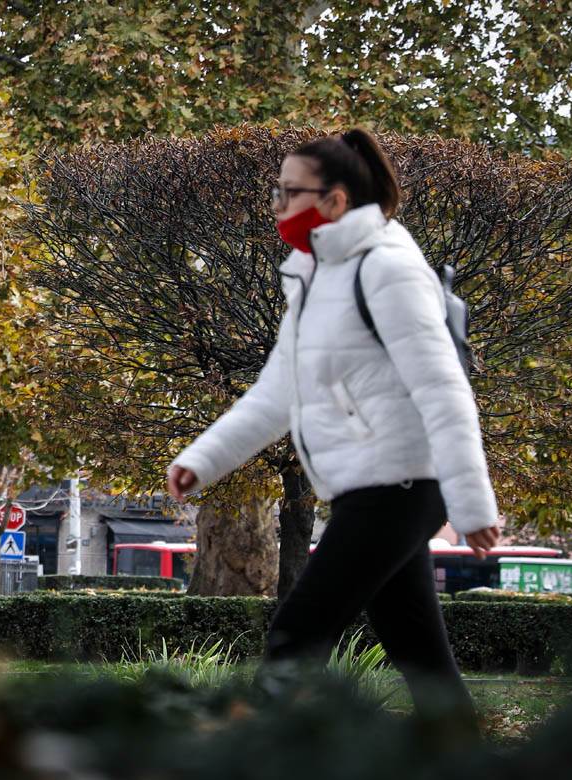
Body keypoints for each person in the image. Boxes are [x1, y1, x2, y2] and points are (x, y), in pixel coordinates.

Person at [166, 129, 500, 717]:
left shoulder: (388, 266)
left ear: (336, 200)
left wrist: (473, 505)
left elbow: (443, 388)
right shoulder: (314, 275)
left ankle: (258, 760)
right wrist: (203, 459)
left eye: (290, 192)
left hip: (399, 485)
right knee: (420, 654)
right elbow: (278, 391)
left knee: (296, 638)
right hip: (369, 487)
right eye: (277, 191)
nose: (278, 205)